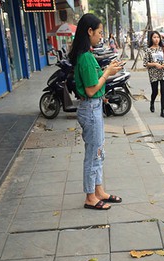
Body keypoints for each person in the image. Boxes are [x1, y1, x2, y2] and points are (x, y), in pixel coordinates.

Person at [69, 13, 123, 210]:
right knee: (93, 154)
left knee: (99, 152)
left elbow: (94, 86)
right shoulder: (85, 57)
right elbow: (91, 89)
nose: (101, 36)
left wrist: (107, 72)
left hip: (94, 106)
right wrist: (107, 73)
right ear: (89, 31)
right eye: (99, 32)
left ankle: (98, 190)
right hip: (90, 109)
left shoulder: (87, 56)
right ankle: (90, 196)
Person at [143, 31, 164, 118]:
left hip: (163, 73)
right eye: (154, 37)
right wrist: (154, 64)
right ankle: (152, 102)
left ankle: (163, 111)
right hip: (153, 73)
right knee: (155, 91)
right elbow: (145, 63)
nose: (156, 39)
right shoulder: (148, 50)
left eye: (158, 37)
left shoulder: (163, 48)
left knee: (163, 92)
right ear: (151, 38)